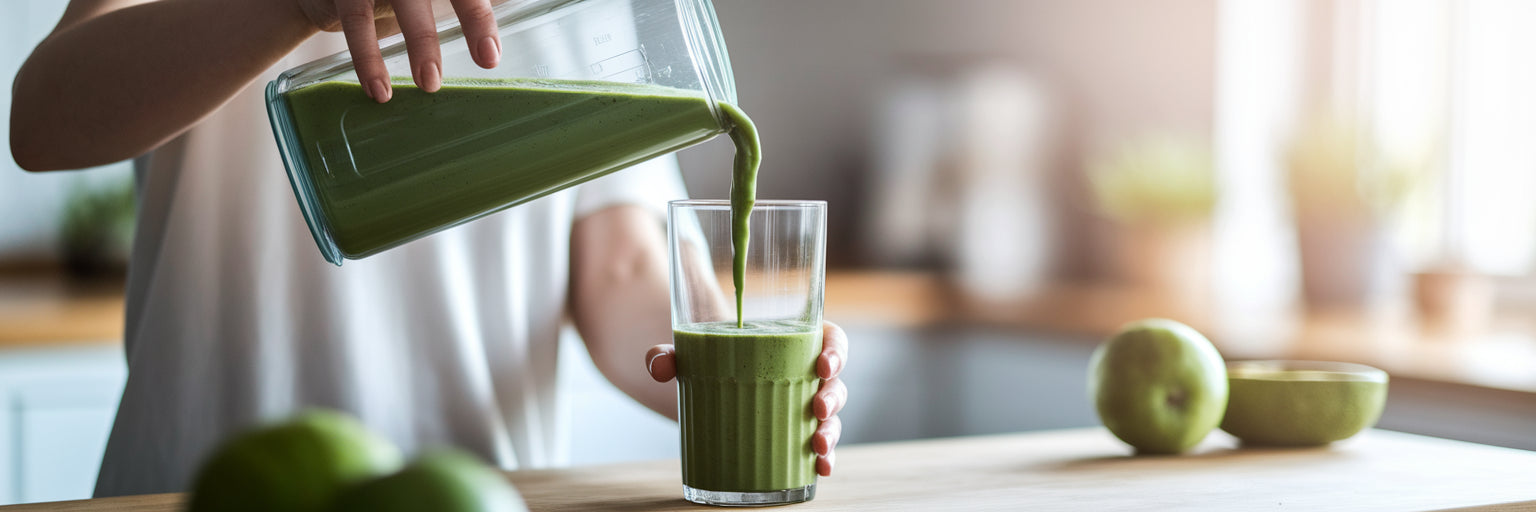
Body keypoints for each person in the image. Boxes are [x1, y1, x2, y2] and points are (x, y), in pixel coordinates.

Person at [9, 0, 849, 497]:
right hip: (199, 487)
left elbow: (621, 262)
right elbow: (42, 119)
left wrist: (724, 372)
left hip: (471, 494)